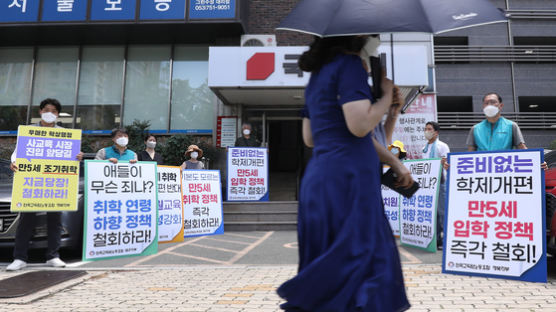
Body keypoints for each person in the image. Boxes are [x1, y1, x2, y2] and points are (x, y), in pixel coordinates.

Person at [277, 35, 411, 312]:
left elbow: (310, 138)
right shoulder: (349, 65)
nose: (375, 40)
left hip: (319, 178)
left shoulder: (316, 76)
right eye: (373, 35)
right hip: (350, 178)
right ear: (358, 36)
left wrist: (384, 108)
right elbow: (360, 126)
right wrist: (385, 95)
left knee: (331, 262)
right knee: (365, 264)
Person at [7, 98, 84, 271]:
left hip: (54, 185)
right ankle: (20, 258)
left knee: (55, 220)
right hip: (33, 184)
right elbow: (17, 152)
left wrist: (77, 156)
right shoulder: (29, 132)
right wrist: (14, 162)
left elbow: (73, 157)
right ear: (40, 112)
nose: (50, 113)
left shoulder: (65, 134)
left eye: (54, 111)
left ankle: (53, 256)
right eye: (47, 109)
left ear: (57, 114)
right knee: (26, 220)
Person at [421, 121, 450, 249]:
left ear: (436, 132)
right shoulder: (424, 148)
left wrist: (443, 163)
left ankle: (447, 241)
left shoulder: (442, 146)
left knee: (443, 212)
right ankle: (437, 239)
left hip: (441, 182)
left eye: (429, 129)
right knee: (434, 214)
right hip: (429, 185)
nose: (427, 131)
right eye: (425, 129)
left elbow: (448, 164)